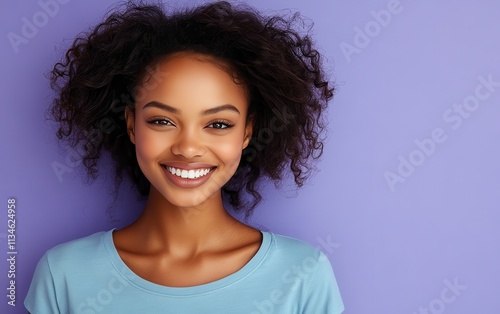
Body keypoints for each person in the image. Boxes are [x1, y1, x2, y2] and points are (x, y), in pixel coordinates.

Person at [24, 1, 344, 313]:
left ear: (247, 132)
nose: (188, 148)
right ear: (132, 124)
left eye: (218, 124)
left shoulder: (302, 276)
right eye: (162, 121)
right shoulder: (63, 276)